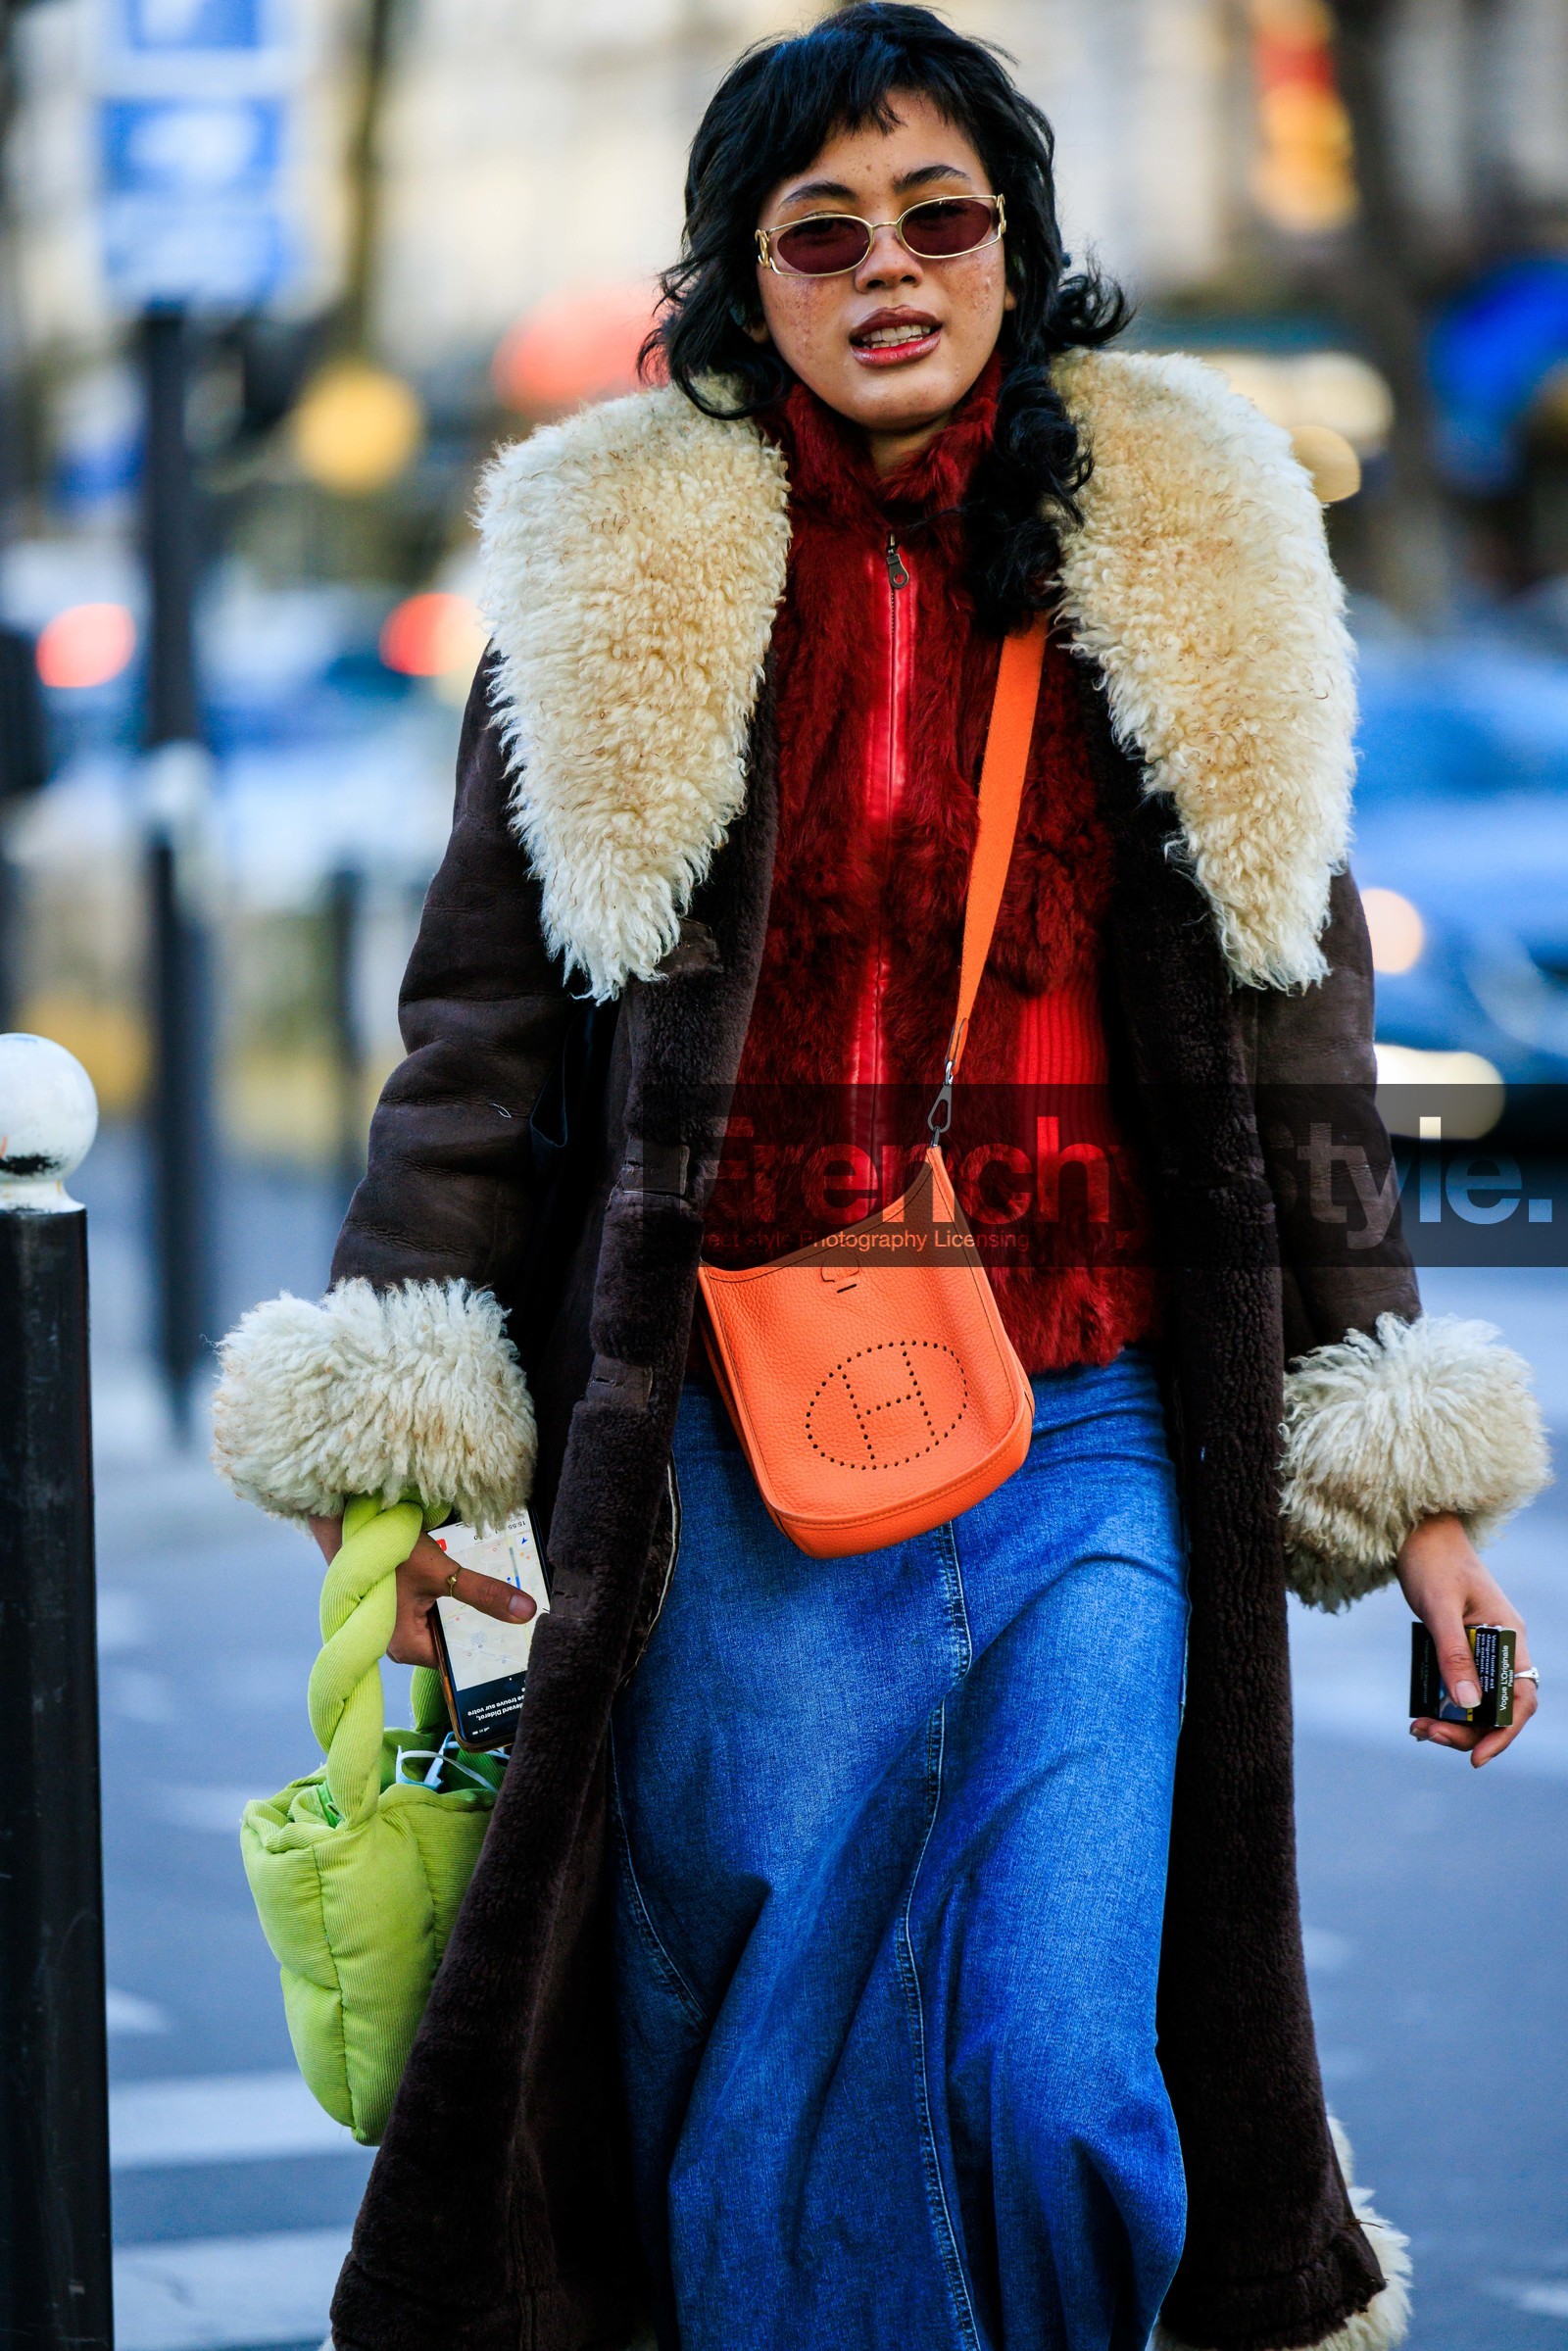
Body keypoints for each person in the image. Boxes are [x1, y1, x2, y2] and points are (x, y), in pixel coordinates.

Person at [212, 9, 1549, 2349]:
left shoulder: (1194, 561)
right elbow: (479, 1047)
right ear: (750, 284)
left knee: (1051, 2072)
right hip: (736, 1443)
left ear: (1019, 247)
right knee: (756, 2066)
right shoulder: (617, 582)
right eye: (818, 235)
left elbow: (1301, 1067)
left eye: (940, 216)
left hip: (1096, 1430)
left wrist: (1411, 1484)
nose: (888, 270)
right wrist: (399, 1472)